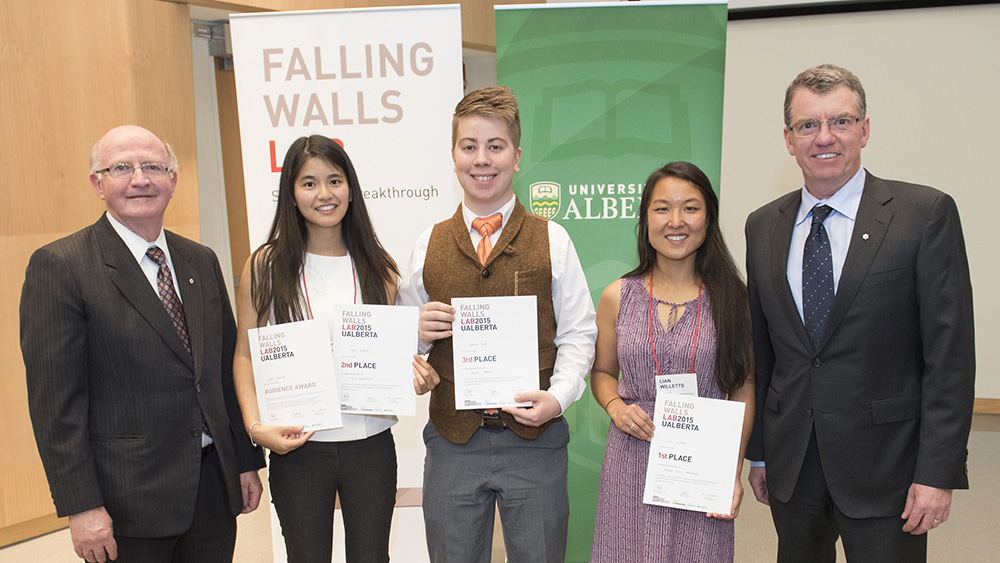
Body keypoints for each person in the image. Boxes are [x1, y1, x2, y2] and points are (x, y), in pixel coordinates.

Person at [744, 64, 975, 562]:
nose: (824, 137)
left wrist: (937, 473)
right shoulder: (762, 226)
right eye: (808, 125)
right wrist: (760, 451)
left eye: (841, 122)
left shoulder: (924, 214)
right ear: (788, 139)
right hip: (794, 467)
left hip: (888, 470)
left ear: (865, 129)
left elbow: (949, 358)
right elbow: (764, 353)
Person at [20, 125, 265, 563]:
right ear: (98, 183)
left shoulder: (201, 260)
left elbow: (221, 373)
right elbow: (56, 407)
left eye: (153, 166)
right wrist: (82, 506)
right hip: (125, 505)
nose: (140, 179)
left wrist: (245, 460)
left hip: (211, 491)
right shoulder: (61, 267)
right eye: (122, 168)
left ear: (173, 180)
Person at [397, 86, 597, 563]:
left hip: (535, 441)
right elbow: (406, 347)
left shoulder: (554, 239)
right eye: (469, 146)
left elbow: (578, 333)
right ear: (453, 155)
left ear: (517, 156)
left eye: (495, 146)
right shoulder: (428, 243)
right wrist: (418, 338)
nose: (481, 160)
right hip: (452, 443)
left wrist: (559, 397)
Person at [232, 135, 404, 563]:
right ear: (291, 193)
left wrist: (412, 370)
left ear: (351, 189)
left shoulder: (380, 267)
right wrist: (256, 428)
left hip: (371, 446)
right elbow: (243, 356)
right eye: (309, 183)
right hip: (298, 446)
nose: (324, 194)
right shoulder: (265, 266)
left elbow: (391, 353)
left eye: (335, 180)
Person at [589, 162, 755, 562]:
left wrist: (730, 471)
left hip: (702, 464)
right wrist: (615, 406)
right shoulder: (617, 296)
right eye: (662, 208)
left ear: (709, 218)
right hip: (631, 458)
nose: (676, 221)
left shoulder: (735, 300)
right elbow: (602, 372)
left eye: (691, 208)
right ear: (645, 218)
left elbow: (743, 388)